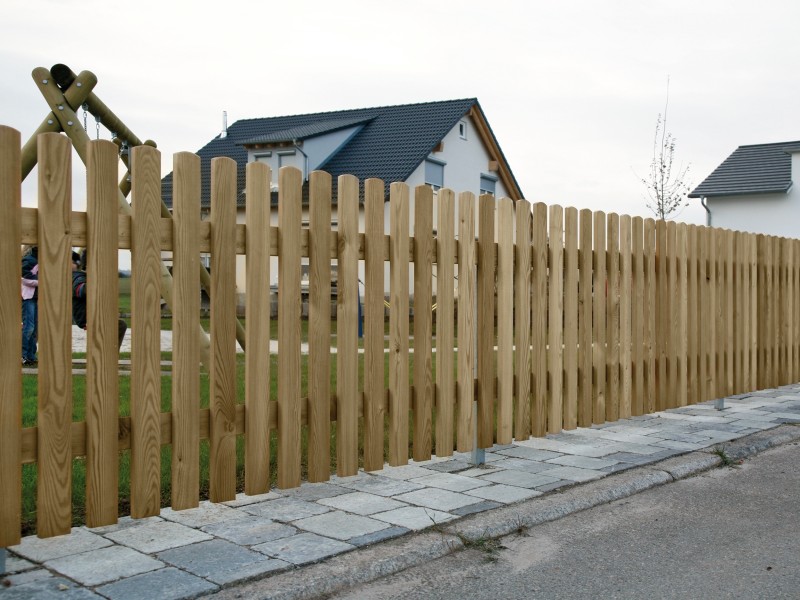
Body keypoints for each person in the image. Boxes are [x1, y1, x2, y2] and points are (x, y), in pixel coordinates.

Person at [72, 251, 128, 351]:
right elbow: (81, 290)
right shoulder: (79, 277)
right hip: (86, 316)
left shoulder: (89, 278)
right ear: (89, 265)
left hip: (94, 315)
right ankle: (110, 354)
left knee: (119, 325)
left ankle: (109, 353)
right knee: (119, 325)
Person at [21, 246, 39, 366]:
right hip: (28, 298)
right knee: (29, 327)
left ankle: (31, 356)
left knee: (34, 329)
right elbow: (25, 278)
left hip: (36, 298)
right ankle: (23, 355)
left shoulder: (39, 260)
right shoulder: (29, 260)